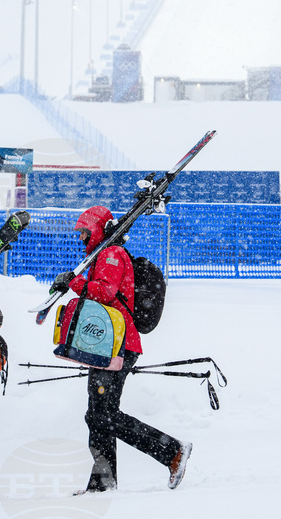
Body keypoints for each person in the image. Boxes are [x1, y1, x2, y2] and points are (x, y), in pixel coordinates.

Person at [51, 206, 192, 494]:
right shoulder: (102, 255)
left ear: (97, 230)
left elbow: (105, 292)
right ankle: (103, 483)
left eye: (85, 231)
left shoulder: (111, 254)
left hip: (119, 346)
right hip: (107, 345)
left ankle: (172, 451)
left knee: (102, 415)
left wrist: (74, 283)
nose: (81, 237)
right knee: (97, 415)